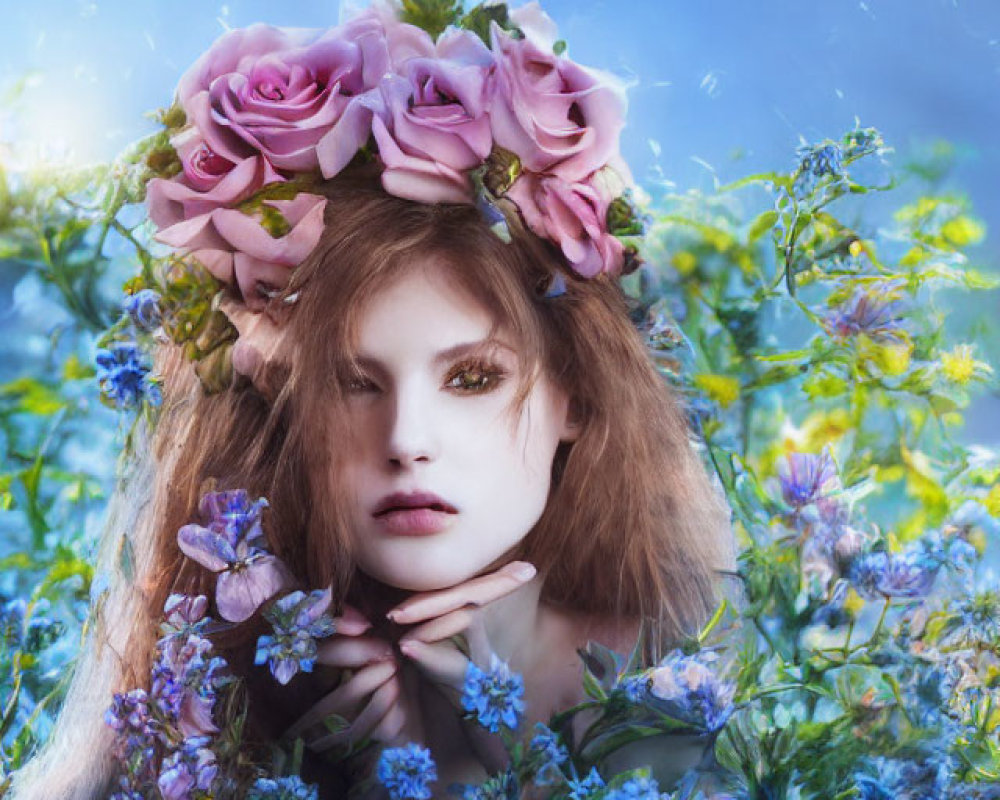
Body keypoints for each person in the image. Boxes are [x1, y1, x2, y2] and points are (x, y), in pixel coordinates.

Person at [8, 3, 737, 798]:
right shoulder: (213, 688)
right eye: (353, 383)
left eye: (471, 378)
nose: (407, 440)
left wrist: (490, 772)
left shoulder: (686, 666)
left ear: (578, 397)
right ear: (278, 403)